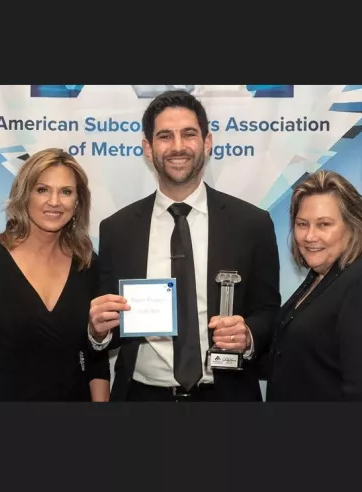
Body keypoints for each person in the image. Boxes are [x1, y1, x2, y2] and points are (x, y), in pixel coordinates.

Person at [87, 90, 281, 401]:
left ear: (207, 142)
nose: (178, 146)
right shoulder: (117, 229)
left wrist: (249, 335)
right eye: (165, 136)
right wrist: (99, 331)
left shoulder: (252, 224)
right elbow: (111, 327)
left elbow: (269, 312)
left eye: (188, 134)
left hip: (227, 399)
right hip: (142, 398)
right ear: (148, 149)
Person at [0, 148, 110, 401]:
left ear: (78, 202)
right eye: (42, 190)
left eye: (66, 191)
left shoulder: (88, 264)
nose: (54, 201)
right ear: (24, 195)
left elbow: (97, 358)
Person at [264, 169, 362, 401]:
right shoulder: (318, 277)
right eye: (302, 224)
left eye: (324, 224)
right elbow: (297, 360)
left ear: (352, 226)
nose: (310, 236)